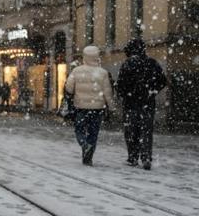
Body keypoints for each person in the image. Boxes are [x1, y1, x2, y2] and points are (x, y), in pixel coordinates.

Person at [116, 38, 167, 170]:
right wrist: (152, 91)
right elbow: (163, 81)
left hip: (130, 103)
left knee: (131, 131)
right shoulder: (152, 63)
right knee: (146, 131)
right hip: (147, 103)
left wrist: (125, 94)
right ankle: (146, 157)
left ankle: (133, 157)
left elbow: (120, 85)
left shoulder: (127, 64)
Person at [65, 45, 114, 166]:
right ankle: (88, 158)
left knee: (79, 129)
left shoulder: (76, 71)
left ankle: (84, 144)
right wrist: (111, 106)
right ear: (97, 57)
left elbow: (69, 89)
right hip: (97, 108)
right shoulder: (103, 73)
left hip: (80, 107)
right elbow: (107, 92)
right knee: (93, 133)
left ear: (84, 57)